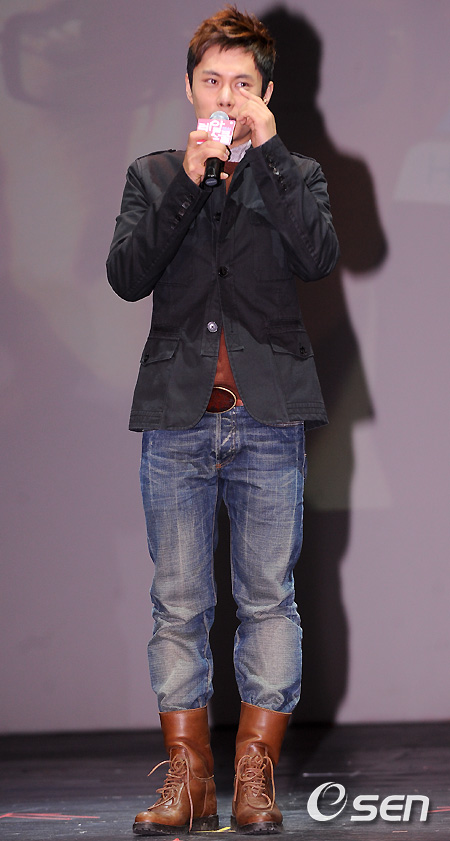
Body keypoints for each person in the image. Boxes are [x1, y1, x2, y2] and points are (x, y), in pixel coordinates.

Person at [106, 6, 339, 835]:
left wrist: (266, 157)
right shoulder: (153, 174)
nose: (227, 96)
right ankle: (190, 778)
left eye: (243, 83)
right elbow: (127, 275)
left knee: (269, 599)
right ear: (189, 87)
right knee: (178, 604)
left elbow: (318, 256)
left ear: (266, 94)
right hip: (177, 418)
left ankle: (254, 777)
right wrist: (187, 180)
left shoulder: (296, 173)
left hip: (268, 418)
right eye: (213, 80)